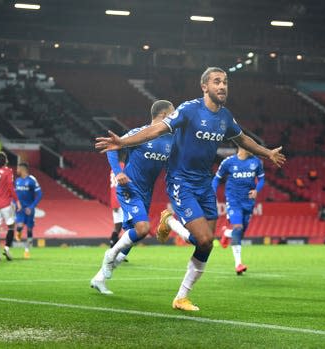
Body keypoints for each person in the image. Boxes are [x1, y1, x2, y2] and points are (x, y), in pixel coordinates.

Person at [95, 67, 285, 311]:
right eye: (217, 81)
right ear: (204, 86)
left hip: (204, 184)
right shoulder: (188, 109)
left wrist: (267, 152)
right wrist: (122, 142)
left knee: (205, 243)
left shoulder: (226, 117)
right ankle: (177, 282)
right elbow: (156, 129)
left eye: (225, 82)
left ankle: (180, 290)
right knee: (204, 238)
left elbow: (242, 139)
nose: (222, 86)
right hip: (181, 182)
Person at [91, 100, 183, 294]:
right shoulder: (139, 133)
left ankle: (99, 278)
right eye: (173, 114)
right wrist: (118, 172)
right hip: (128, 188)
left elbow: (172, 166)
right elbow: (113, 148)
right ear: (163, 115)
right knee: (142, 229)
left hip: (146, 193)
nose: (176, 118)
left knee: (132, 237)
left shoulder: (171, 140)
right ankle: (110, 254)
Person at [211, 145, 265, 275]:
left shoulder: (256, 162)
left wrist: (257, 190)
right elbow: (216, 179)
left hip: (248, 202)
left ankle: (226, 233)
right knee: (238, 228)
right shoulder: (228, 162)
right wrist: (211, 194)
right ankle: (238, 264)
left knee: (239, 233)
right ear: (242, 147)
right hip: (233, 200)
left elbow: (262, 179)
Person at [14, 162, 43, 259]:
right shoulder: (17, 181)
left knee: (29, 230)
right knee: (20, 226)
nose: (16, 170)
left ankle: (27, 250)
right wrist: (15, 204)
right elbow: (14, 195)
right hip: (20, 209)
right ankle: (18, 231)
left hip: (29, 209)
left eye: (17, 168)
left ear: (22, 169)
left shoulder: (32, 180)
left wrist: (32, 207)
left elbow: (39, 194)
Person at [108, 162, 125, 247]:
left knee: (117, 228)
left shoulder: (113, 168)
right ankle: (120, 252)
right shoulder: (123, 167)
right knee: (129, 228)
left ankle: (112, 247)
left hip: (114, 201)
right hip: (122, 200)